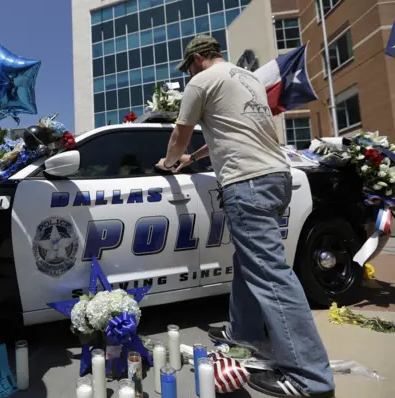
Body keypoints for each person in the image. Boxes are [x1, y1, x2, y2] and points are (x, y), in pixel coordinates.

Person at [155, 35, 335, 398]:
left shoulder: (201, 81)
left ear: (199, 59)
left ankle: (310, 378)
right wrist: (196, 159)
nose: (188, 71)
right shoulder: (248, 79)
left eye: (188, 65)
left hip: (247, 182)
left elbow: (180, 133)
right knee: (250, 262)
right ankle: (245, 333)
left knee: (270, 275)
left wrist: (172, 162)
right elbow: (231, 130)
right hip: (277, 178)